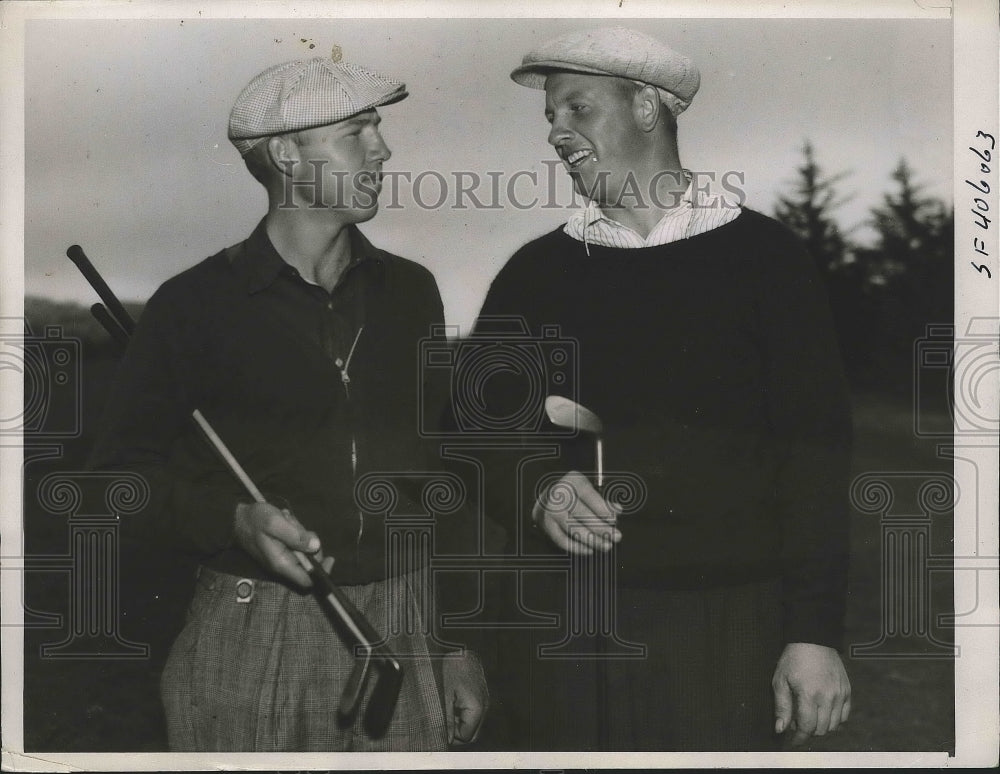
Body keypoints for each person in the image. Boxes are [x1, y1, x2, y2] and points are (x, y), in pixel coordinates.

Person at [89, 55, 487, 752]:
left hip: (402, 623)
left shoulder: (411, 293)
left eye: (380, 128)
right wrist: (233, 520)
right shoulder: (194, 306)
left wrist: (453, 644)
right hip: (251, 630)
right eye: (357, 131)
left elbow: (439, 476)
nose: (383, 148)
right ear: (284, 155)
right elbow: (116, 484)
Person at [473, 26, 852, 751]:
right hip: (566, 628)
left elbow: (816, 457)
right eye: (549, 116)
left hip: (728, 628)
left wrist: (813, 633)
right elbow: (471, 430)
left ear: (647, 105)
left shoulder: (767, 260)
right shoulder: (535, 273)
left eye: (576, 108)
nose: (556, 132)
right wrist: (535, 484)